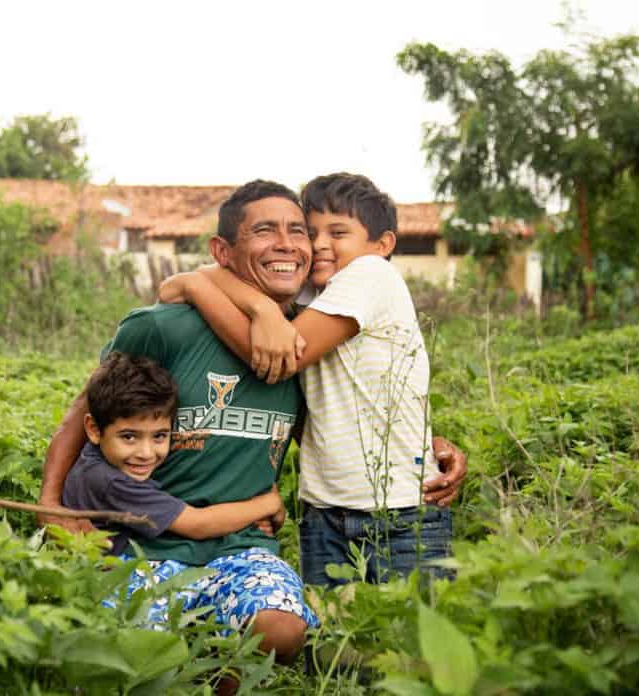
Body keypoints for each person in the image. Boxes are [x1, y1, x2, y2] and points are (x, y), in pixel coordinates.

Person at [38, 179, 466, 664]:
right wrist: (51, 502)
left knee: (318, 639)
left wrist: (423, 439)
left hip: (245, 543)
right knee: (114, 654)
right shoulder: (164, 326)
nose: (293, 243)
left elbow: (349, 404)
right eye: (266, 230)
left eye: (298, 231)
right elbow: (85, 411)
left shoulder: (306, 339)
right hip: (145, 543)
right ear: (224, 251)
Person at [158, 172, 455, 588]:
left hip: (400, 513)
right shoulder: (313, 298)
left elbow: (280, 357)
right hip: (324, 514)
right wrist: (241, 300)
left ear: (382, 245)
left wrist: (197, 284)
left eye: (338, 232)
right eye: (311, 232)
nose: (318, 245)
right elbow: (173, 289)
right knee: (334, 649)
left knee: (411, 645)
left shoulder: (371, 274)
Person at [62, 351, 285, 556]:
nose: (146, 453)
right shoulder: (110, 481)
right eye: (129, 437)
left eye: (159, 436)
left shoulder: (96, 459)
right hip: (102, 581)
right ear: (94, 429)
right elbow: (197, 525)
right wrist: (266, 504)